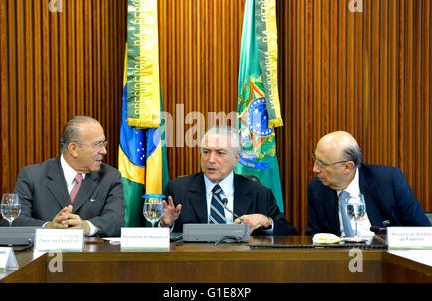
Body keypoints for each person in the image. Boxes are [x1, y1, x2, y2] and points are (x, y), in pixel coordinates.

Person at [160, 126, 297, 236]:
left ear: (236, 158)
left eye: (220, 153)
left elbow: (289, 233)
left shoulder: (259, 193)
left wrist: (266, 221)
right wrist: (166, 225)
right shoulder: (177, 190)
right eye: (206, 152)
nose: (211, 160)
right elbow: (159, 239)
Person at [1, 116, 125, 237]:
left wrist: (87, 227)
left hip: (91, 255)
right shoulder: (32, 176)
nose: (104, 151)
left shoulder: (110, 177)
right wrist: (48, 227)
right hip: (45, 256)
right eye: (97, 144)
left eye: (104, 143)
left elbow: (117, 221)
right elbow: (11, 222)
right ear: (73, 148)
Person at [306, 131, 431, 236]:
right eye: (315, 160)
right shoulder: (316, 188)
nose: (315, 169)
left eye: (322, 164)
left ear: (348, 167)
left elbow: (423, 231)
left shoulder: (388, 181)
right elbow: (314, 237)